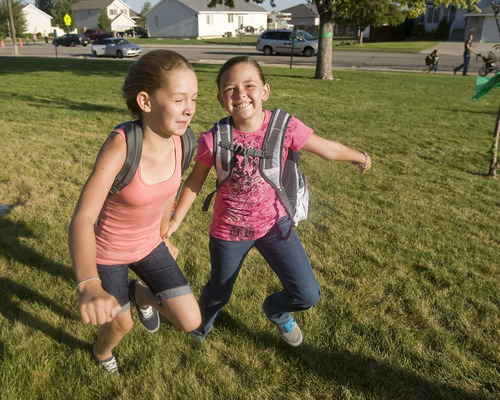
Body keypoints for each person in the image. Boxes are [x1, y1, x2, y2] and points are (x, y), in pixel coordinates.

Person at [166, 56, 372, 347]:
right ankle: (201, 327)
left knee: (307, 293)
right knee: (219, 292)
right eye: (230, 89)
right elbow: (195, 182)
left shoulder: (286, 127)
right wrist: (174, 220)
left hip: (276, 225)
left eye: (248, 85)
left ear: (264, 91)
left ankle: (276, 310)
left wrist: (360, 157)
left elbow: (327, 149)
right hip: (228, 230)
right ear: (220, 98)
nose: (239, 94)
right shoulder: (214, 139)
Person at [68, 50, 201, 374]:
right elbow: (83, 218)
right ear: (145, 101)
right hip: (109, 253)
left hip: (148, 245)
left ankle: (139, 294)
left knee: (189, 319)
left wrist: (162, 235)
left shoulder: (184, 142)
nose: (189, 110)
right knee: (120, 326)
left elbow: (164, 195)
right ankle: (101, 352)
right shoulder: (122, 146)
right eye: (179, 99)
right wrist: (89, 284)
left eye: (194, 99)